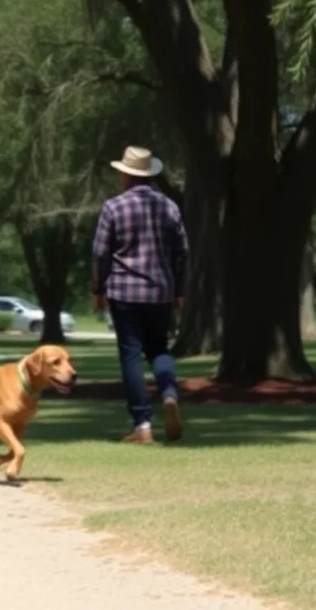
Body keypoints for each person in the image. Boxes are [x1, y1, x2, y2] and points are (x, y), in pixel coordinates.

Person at [92, 146, 188, 444]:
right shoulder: (170, 207)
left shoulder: (113, 208)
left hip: (124, 291)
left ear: (125, 174)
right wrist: (179, 290)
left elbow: (99, 252)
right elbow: (183, 251)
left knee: (131, 354)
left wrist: (98, 288)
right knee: (159, 348)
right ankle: (169, 394)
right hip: (160, 290)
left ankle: (142, 424)